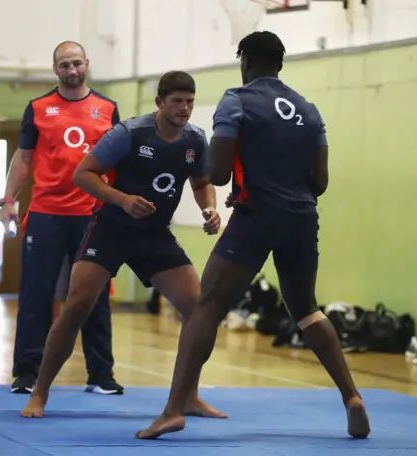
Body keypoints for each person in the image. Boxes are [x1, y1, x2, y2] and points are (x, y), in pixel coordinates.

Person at [136, 31, 371, 440]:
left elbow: (219, 173)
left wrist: (243, 181)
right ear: (280, 63)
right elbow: (320, 181)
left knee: (208, 305)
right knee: (306, 310)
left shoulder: (237, 100)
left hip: (256, 216)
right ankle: (352, 396)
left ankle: (174, 409)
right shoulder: (308, 110)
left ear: (245, 60)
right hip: (301, 218)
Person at [20, 70, 226, 420]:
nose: (185, 108)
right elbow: (82, 174)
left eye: (190, 101)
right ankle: (39, 393)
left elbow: (202, 181)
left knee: (199, 310)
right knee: (76, 307)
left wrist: (209, 208)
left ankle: (188, 396)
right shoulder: (129, 133)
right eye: (177, 101)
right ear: (160, 102)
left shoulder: (194, 139)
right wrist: (122, 200)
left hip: (154, 235)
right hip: (111, 229)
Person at [0, 41, 123, 395]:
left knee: (94, 296)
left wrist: (121, 203)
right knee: (36, 295)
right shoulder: (38, 108)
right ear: (55, 69)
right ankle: (27, 374)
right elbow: (23, 159)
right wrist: (8, 200)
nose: (72, 70)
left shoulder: (108, 108)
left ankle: (101, 375)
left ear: (87, 64)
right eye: (64, 65)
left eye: (77, 63)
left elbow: (117, 163)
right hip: (46, 216)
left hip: (92, 217)